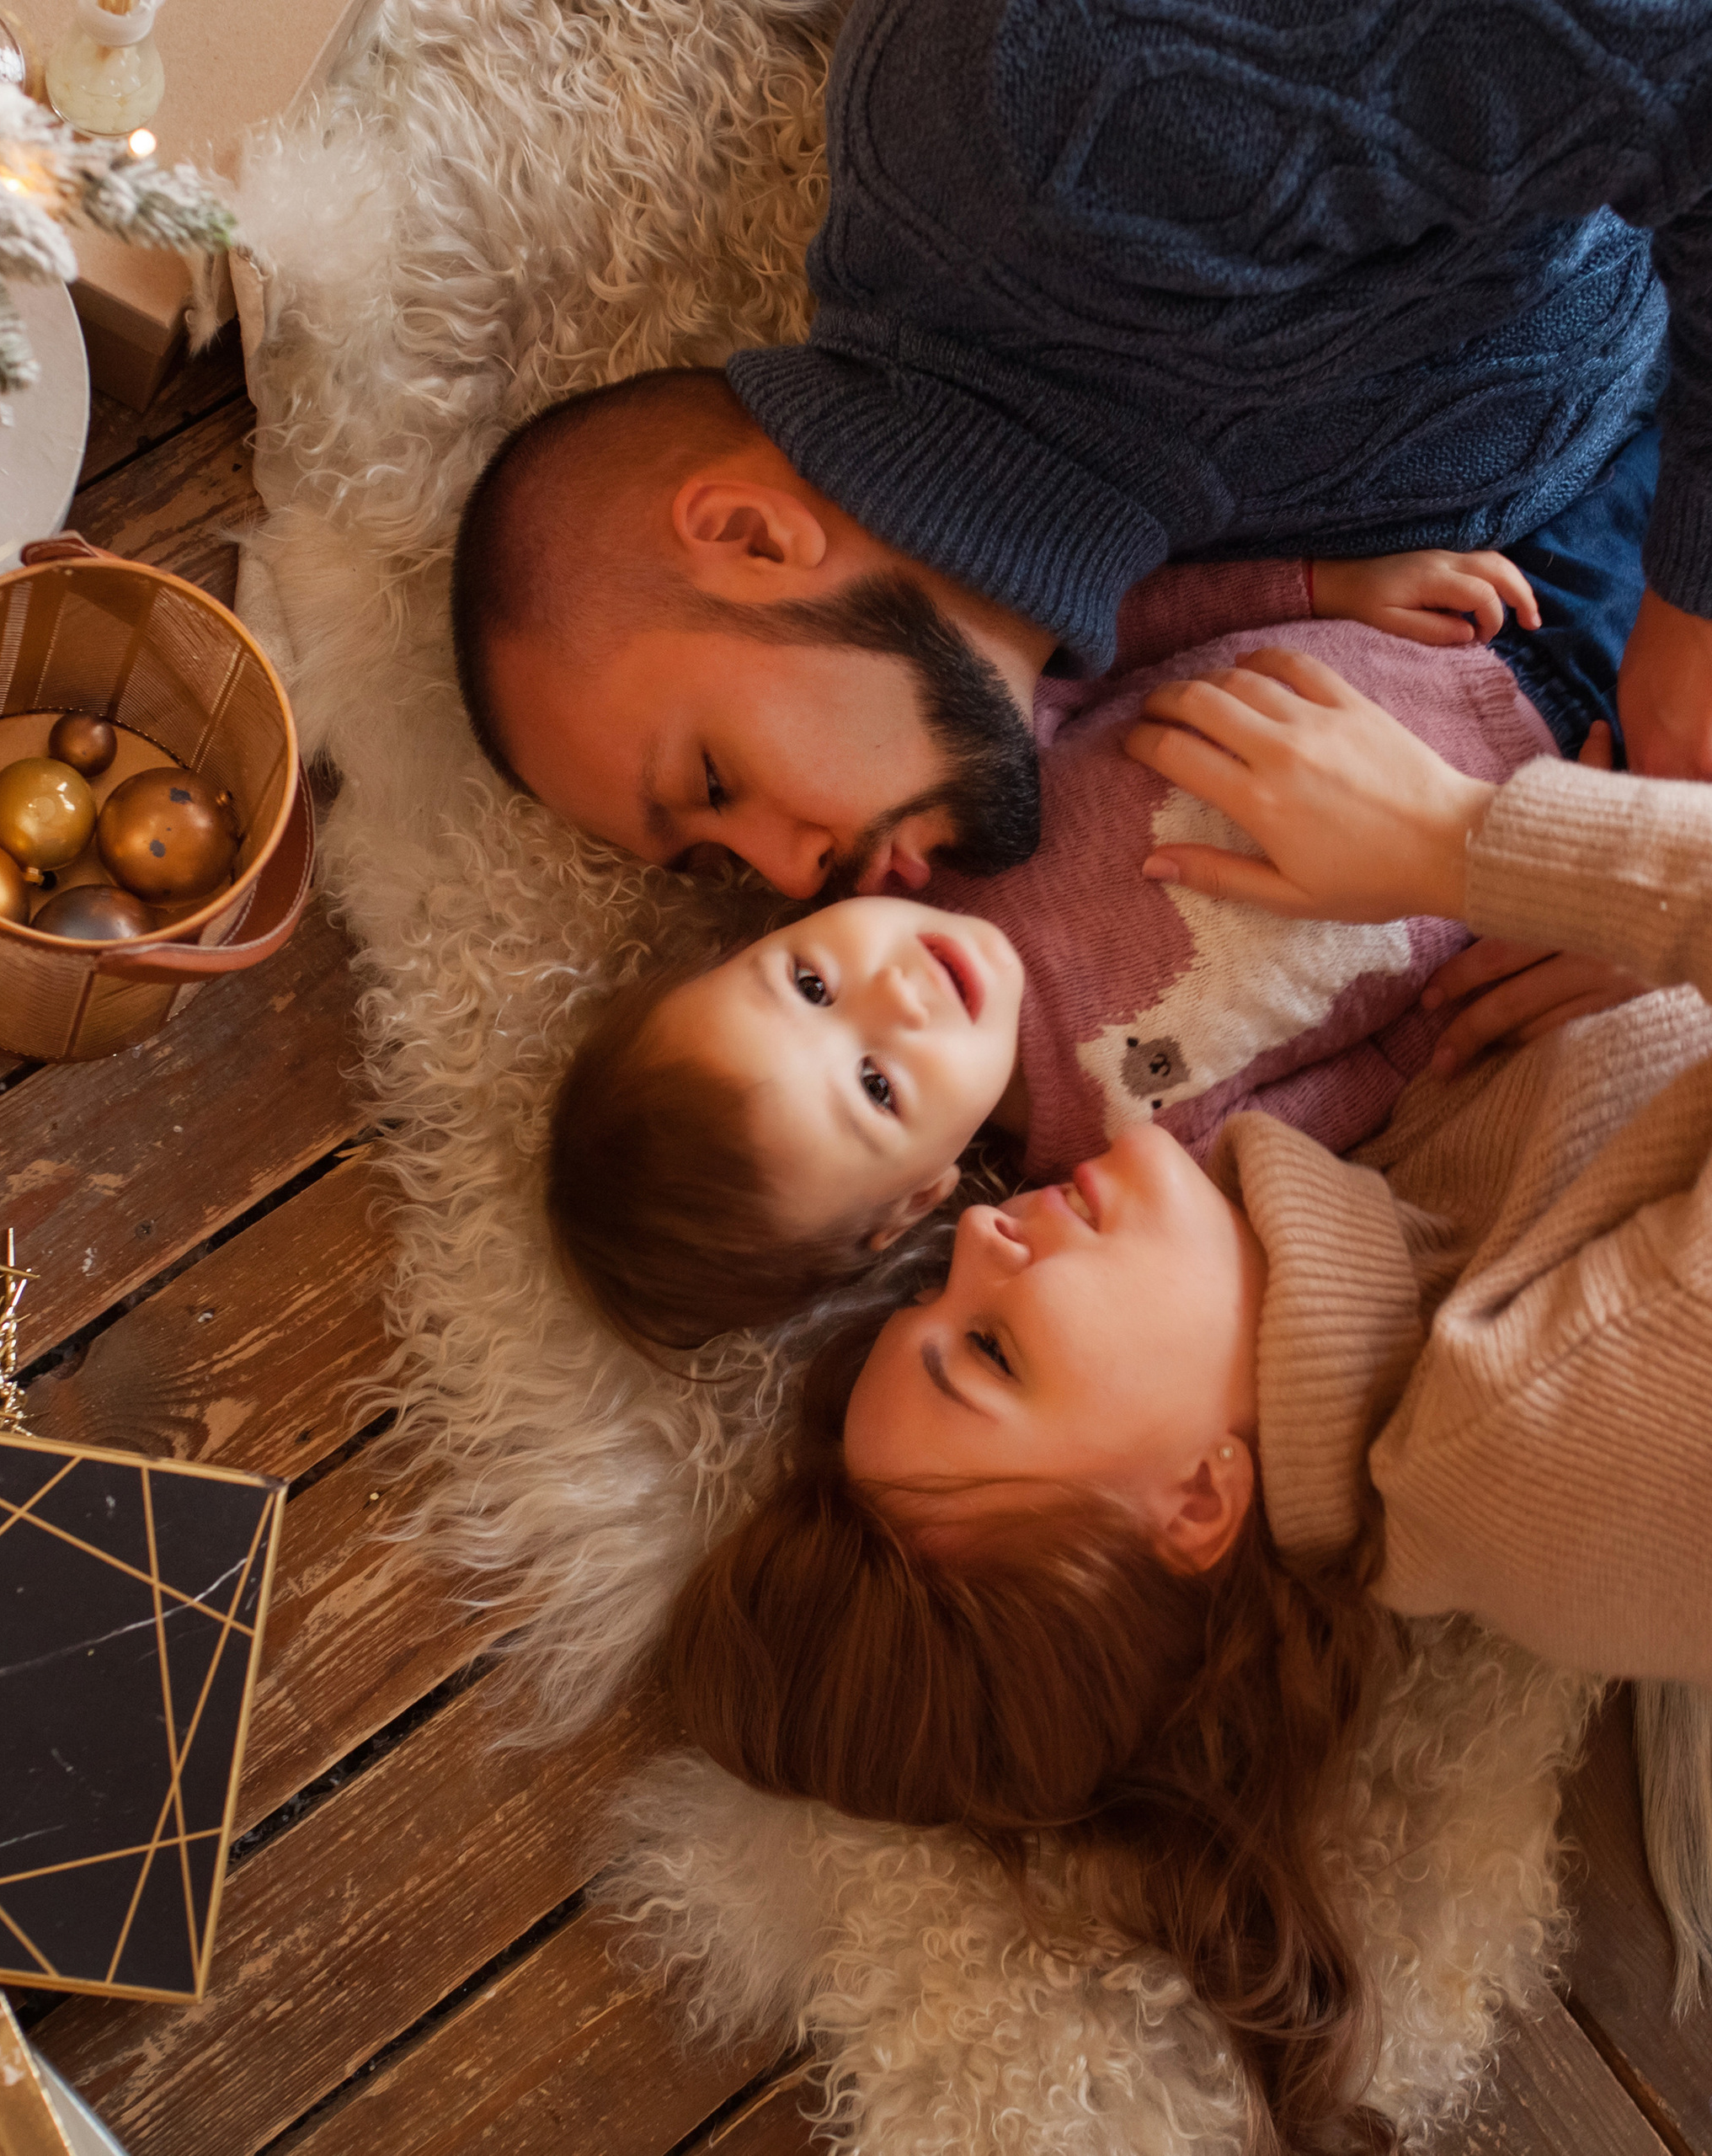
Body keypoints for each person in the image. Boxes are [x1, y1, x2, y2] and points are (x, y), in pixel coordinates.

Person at [659, 648, 1712, 2150]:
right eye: (998, 1353)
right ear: (1198, 1505)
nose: (981, 1239)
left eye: (940, 1297)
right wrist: (1478, 847)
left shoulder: (1414, 1200)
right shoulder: (1531, 1442)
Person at [450, 2, 1712, 893]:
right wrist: (1608, 883)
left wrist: (1696, 608)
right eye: (722, 866)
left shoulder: (1060, 128)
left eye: (716, 783)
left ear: (750, 534)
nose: (796, 879)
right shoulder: (1080, 523)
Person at [549, 551, 1611, 1348]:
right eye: (874, 1085)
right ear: (918, 1200)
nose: (897, 998)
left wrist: (1316, 587)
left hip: (1454, 610)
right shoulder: (1133, 1157)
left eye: (811, 982)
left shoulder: (932, 834)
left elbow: (1101, 643)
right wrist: (1547, 897)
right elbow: (1364, 1078)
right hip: (1565, 804)